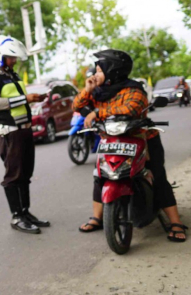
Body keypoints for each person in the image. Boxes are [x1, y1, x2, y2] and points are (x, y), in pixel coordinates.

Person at [75, 50, 186, 242]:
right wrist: (87, 89)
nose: (95, 74)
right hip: (111, 141)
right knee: (99, 175)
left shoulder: (134, 90)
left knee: (157, 175)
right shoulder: (99, 91)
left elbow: (130, 108)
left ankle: (175, 222)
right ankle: (97, 217)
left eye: (100, 70)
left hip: (142, 139)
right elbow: (77, 106)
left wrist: (97, 113)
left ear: (113, 70)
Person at [0, 36, 49, 234]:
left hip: (25, 130)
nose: (14, 61)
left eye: (15, 58)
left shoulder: (13, 76)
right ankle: (16, 216)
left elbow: (18, 101)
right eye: (10, 58)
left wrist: (34, 99)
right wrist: (25, 98)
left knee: (26, 173)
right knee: (13, 175)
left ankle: (26, 212)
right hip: (10, 133)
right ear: (0, 56)